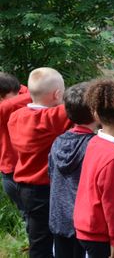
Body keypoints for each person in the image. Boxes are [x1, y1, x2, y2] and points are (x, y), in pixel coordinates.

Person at [49, 82, 114, 258]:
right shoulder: (113, 155)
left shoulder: (94, 143)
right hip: (99, 231)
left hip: (78, 223)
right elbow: (113, 206)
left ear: (97, 114)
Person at [8, 67, 72, 258]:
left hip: (23, 187)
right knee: (53, 239)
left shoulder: (16, 116)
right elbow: (80, 103)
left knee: (38, 238)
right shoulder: (50, 118)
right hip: (44, 189)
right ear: (57, 94)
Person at [0, 72, 31, 213]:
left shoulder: (19, 92)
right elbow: (37, 93)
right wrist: (48, 92)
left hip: (31, 166)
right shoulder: (4, 108)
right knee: (27, 214)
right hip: (12, 171)